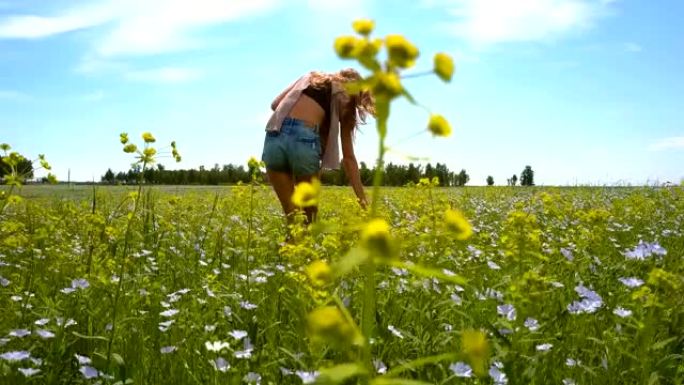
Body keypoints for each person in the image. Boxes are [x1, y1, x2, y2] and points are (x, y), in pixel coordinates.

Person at [262, 68, 374, 225]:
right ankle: (303, 246)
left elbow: (275, 104)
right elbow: (348, 159)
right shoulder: (347, 100)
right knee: (308, 218)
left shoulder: (310, 77)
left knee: (293, 217)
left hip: (274, 136)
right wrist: (363, 202)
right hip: (304, 140)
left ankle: (291, 247)